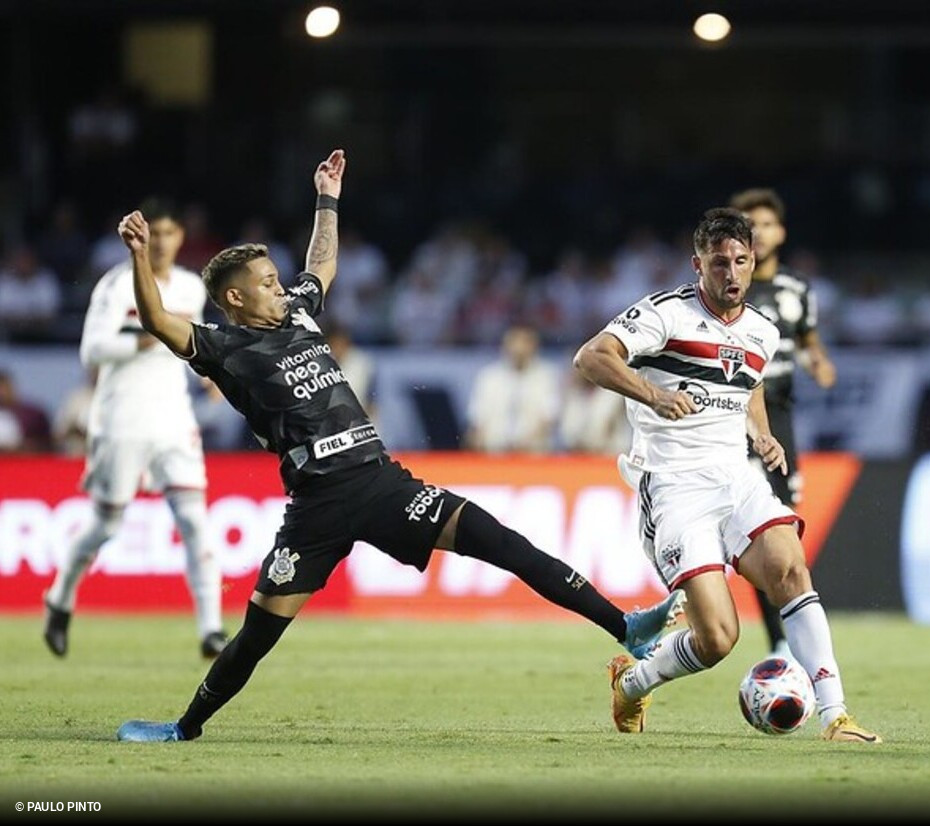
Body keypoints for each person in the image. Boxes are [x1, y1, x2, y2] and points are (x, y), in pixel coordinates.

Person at [113, 149, 683, 743]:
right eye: (265, 284)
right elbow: (156, 319)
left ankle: (626, 627)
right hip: (319, 506)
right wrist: (138, 257)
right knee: (257, 637)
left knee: (504, 543)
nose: (280, 289)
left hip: (382, 481)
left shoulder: (300, 315)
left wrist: (327, 198)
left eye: (277, 279)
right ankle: (185, 727)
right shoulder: (223, 348)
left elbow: (322, 262)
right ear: (235, 300)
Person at [573, 207, 880, 743]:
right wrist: (654, 394)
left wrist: (760, 434)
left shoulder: (762, 330)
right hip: (674, 484)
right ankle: (632, 681)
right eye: (719, 263)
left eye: (741, 261)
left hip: (736, 477)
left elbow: (747, 385)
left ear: (753, 259)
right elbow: (591, 357)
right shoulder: (665, 314)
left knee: (791, 571)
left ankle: (836, 716)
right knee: (717, 638)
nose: (732, 273)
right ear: (699, 264)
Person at [42, 198, 227, 660]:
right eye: (155, 234)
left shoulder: (189, 287)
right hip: (121, 416)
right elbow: (91, 351)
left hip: (172, 418)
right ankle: (60, 597)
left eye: (170, 234)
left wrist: (210, 374)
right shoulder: (116, 285)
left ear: (181, 237)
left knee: (195, 522)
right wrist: (150, 334)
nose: (162, 243)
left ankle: (212, 629)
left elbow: (193, 346)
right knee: (106, 525)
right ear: (140, 237)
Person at [729, 188, 837, 660]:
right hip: (732, 418)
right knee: (747, 527)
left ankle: (783, 639)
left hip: (781, 421)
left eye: (768, 224)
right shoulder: (730, 284)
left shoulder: (797, 289)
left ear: (781, 233)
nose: (761, 232)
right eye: (750, 225)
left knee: (782, 531)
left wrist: (819, 361)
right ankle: (776, 639)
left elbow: (809, 339)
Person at [463, 322, 558, 453]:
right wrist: (478, 443)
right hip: (494, 454)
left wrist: (523, 444)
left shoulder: (546, 376)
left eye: (524, 343)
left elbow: (549, 418)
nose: (519, 348)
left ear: (534, 346)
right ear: (505, 345)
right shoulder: (489, 377)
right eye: (514, 342)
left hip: (533, 455)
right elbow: (478, 419)